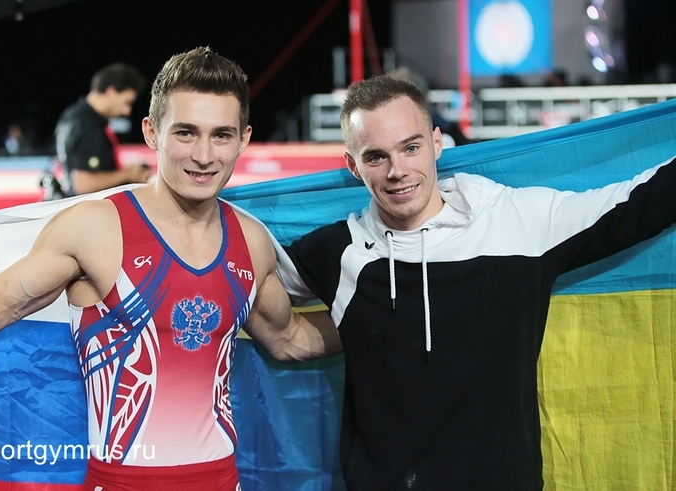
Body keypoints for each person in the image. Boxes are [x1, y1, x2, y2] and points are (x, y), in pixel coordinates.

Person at [0, 46, 340, 490]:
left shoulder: (251, 242)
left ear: (244, 139)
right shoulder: (95, 228)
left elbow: (289, 338)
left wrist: (381, 317)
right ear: (151, 132)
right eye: (185, 133)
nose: (204, 155)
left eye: (221, 135)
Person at [283, 75, 676, 490]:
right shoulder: (338, 251)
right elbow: (250, 284)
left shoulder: (518, 221)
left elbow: (642, 203)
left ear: (437, 143)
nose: (398, 171)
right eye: (376, 157)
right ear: (353, 165)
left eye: (411, 148)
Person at [55, 62, 152, 195]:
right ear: (111, 92)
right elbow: (83, 185)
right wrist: (128, 174)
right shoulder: (88, 125)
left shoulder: (72, 115)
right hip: (88, 206)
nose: (127, 111)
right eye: (127, 102)